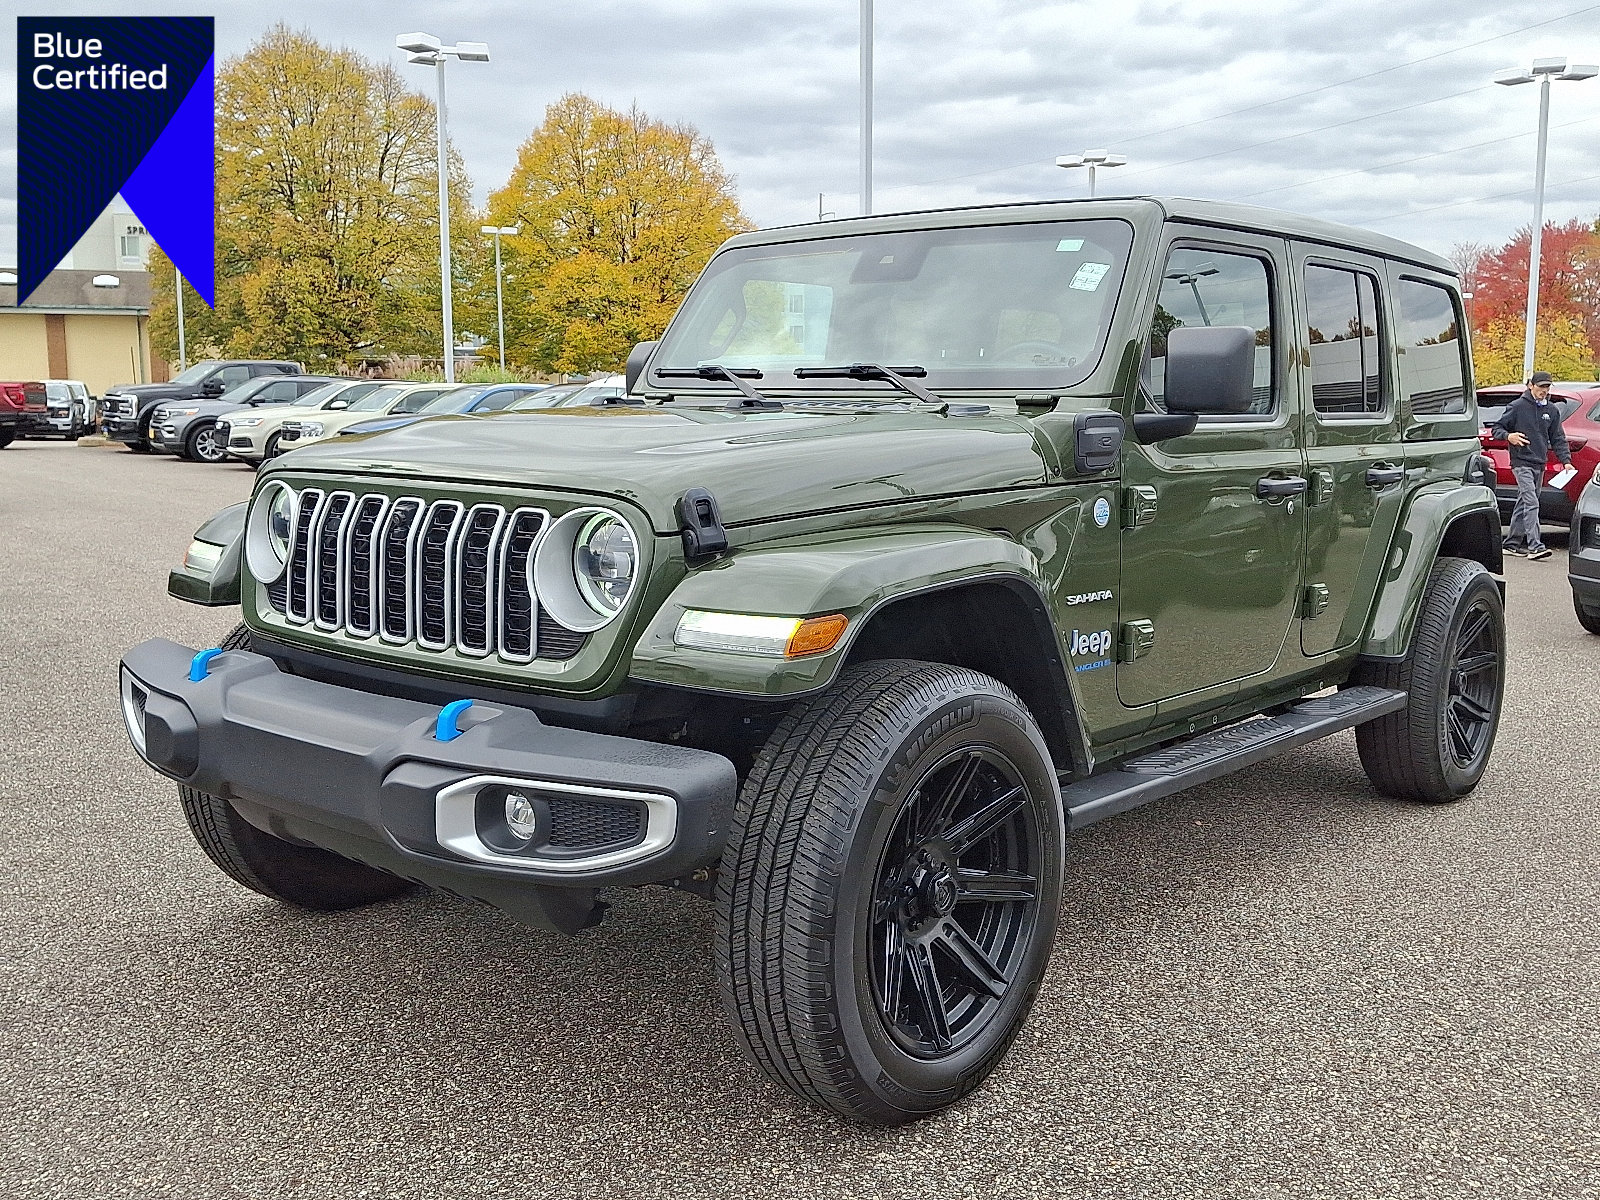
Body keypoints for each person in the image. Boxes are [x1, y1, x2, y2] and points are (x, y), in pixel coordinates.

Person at [1492, 370, 1572, 561]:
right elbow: (1497, 428)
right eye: (1541, 386)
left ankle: (1511, 544)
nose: (1544, 390)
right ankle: (1535, 546)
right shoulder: (1517, 406)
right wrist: (1508, 436)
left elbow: (1558, 438)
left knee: (1524, 502)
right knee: (1531, 501)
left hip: (1539, 463)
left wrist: (1566, 462)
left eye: (1547, 387)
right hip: (1521, 462)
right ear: (1530, 386)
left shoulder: (1552, 411)